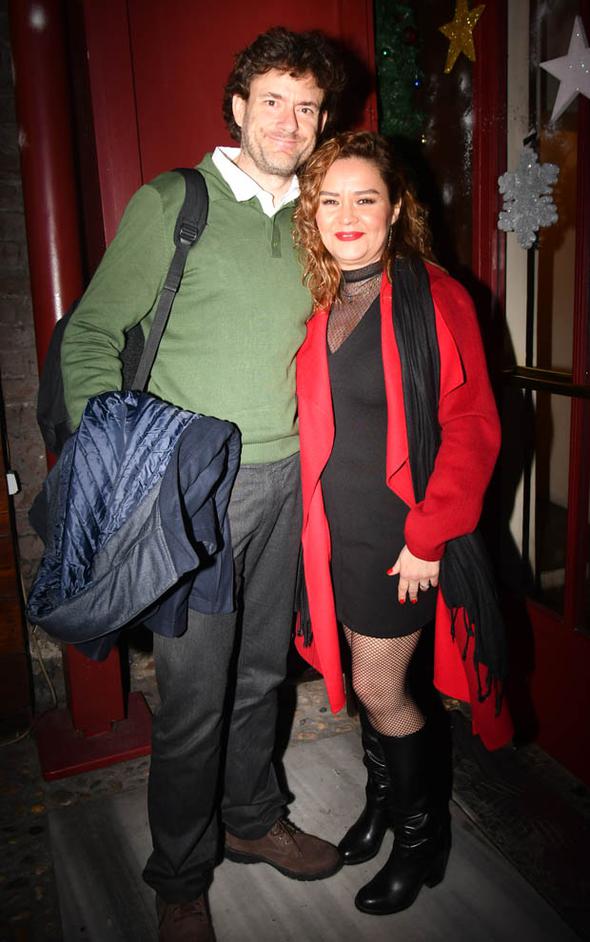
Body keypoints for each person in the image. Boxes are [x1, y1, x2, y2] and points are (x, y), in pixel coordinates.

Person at [61, 27, 346, 942]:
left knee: (263, 673)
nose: (289, 123)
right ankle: (180, 874)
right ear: (237, 107)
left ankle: (253, 819)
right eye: (273, 101)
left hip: (288, 480)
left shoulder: (317, 218)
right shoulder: (173, 202)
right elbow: (93, 333)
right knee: (193, 695)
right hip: (192, 491)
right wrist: (115, 452)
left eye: (307, 108)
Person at [292, 131, 513, 916]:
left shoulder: (432, 295)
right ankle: (383, 805)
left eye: (366, 198)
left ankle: (424, 840)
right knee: (364, 677)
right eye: (330, 200)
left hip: (402, 539)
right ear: (312, 213)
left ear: (394, 210)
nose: (347, 215)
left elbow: (472, 423)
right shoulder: (324, 300)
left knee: (380, 686)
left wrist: (429, 536)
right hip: (339, 534)